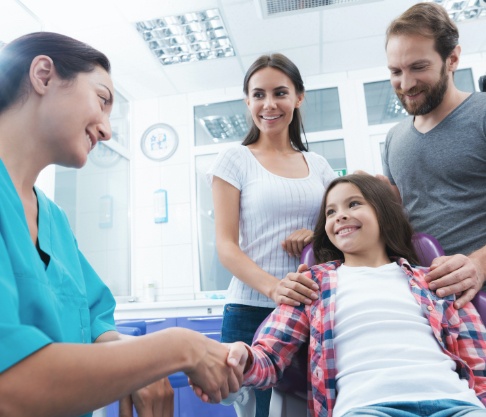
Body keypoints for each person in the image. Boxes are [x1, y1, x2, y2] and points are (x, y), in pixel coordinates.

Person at [0, 32, 243, 417]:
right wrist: (179, 347)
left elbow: (95, 324)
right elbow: (8, 384)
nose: (108, 130)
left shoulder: (54, 221)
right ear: (44, 75)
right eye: (102, 99)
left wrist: (138, 367)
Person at [203, 174, 486, 417]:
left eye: (353, 204)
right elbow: (269, 357)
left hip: (458, 404)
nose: (340, 215)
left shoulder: (434, 279)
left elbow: (479, 363)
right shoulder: (313, 284)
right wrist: (243, 359)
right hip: (368, 407)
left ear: (384, 213)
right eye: (330, 212)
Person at [207, 53, 336, 416]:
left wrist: (316, 235)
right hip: (250, 311)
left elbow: (340, 233)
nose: (269, 104)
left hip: (311, 311)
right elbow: (226, 246)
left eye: (280, 92)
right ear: (247, 101)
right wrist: (274, 287)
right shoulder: (234, 160)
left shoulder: (320, 166)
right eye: (258, 94)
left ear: (299, 97)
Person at [381, 2, 486, 309]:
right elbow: (404, 216)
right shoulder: (393, 140)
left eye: (418, 67)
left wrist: (479, 264)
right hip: (429, 303)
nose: (406, 83)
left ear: (451, 59)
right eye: (395, 71)